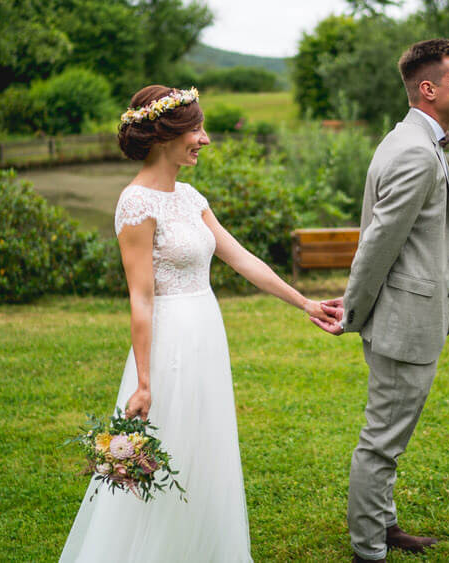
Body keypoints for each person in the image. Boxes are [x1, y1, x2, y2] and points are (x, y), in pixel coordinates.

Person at [60, 84, 341, 562]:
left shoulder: (191, 198)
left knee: (205, 450)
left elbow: (242, 259)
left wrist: (305, 303)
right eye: (195, 129)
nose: (204, 139)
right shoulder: (135, 204)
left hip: (206, 334)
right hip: (168, 344)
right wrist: (144, 382)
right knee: (165, 447)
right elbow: (141, 297)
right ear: (165, 136)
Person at [313, 39, 449, 562]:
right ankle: (368, 550)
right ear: (429, 90)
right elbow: (378, 243)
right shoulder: (414, 151)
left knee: (388, 435)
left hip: (406, 317)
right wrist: (352, 312)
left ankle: (383, 527)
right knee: (381, 442)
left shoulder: (408, 138)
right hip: (404, 324)